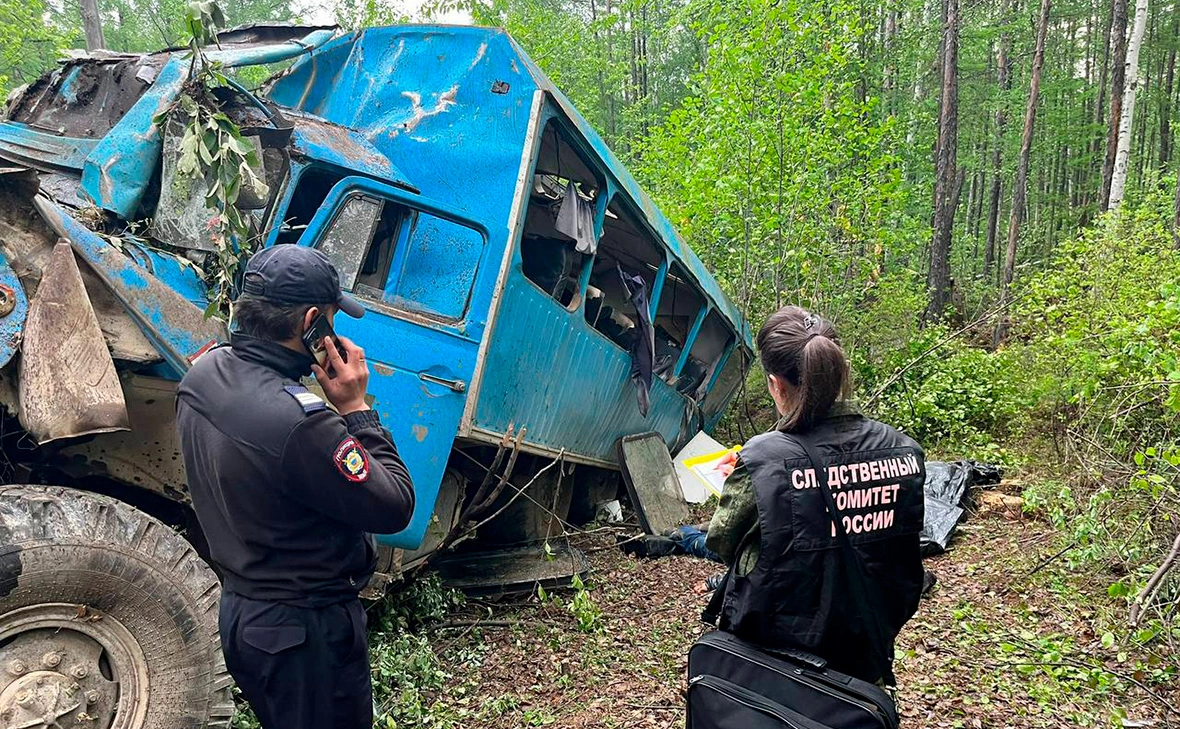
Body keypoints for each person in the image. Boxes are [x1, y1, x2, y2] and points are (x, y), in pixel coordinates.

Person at [176, 245, 416, 729]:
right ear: (310, 322)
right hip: (307, 633)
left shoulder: (204, 373)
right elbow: (395, 506)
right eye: (329, 319)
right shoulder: (301, 423)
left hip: (245, 615)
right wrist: (354, 407)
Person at [705, 306, 925, 686]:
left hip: (775, 662)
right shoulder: (905, 450)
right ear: (838, 370)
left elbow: (723, 544)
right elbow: (899, 554)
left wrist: (747, 479)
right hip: (863, 659)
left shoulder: (763, 459)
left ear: (776, 384)